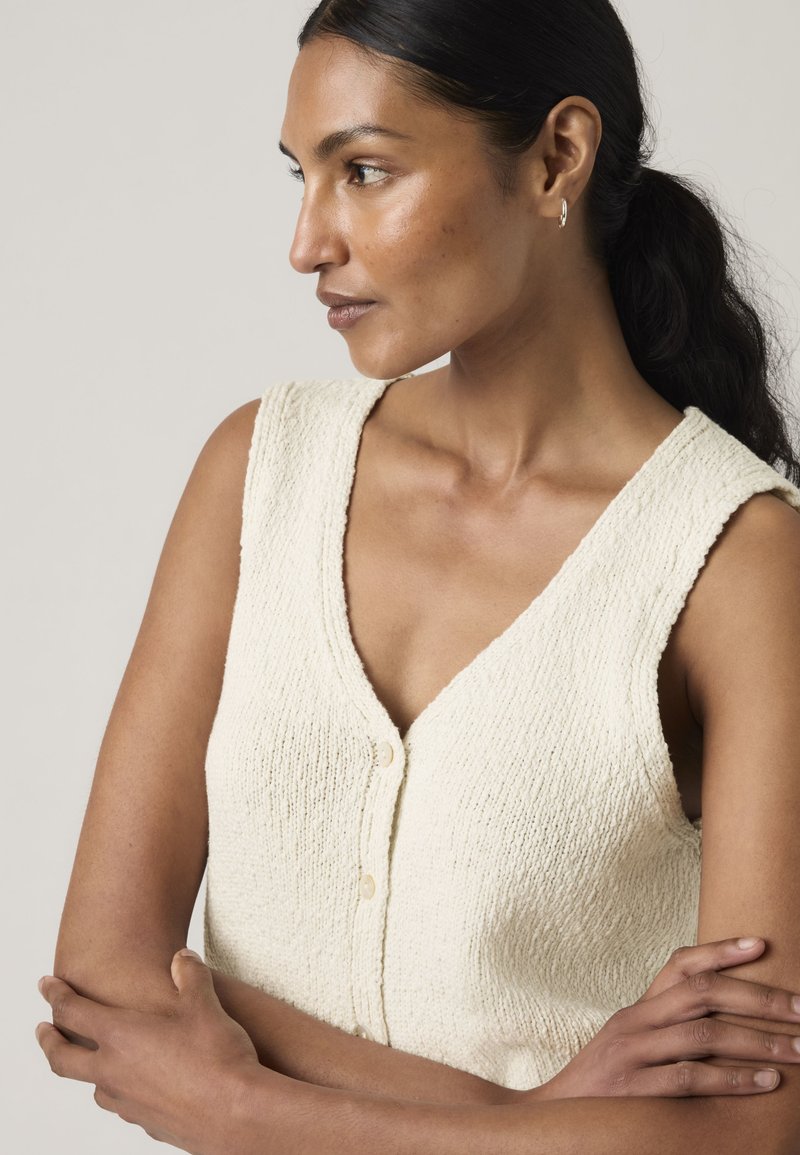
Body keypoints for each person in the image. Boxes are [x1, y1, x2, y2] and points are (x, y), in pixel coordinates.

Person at [35, 1, 800, 1151]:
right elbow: (103, 985)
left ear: (555, 158)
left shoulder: (735, 561)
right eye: (301, 175)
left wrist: (243, 1109)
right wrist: (541, 1121)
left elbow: (755, 1127)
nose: (306, 242)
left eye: (365, 172)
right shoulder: (258, 474)